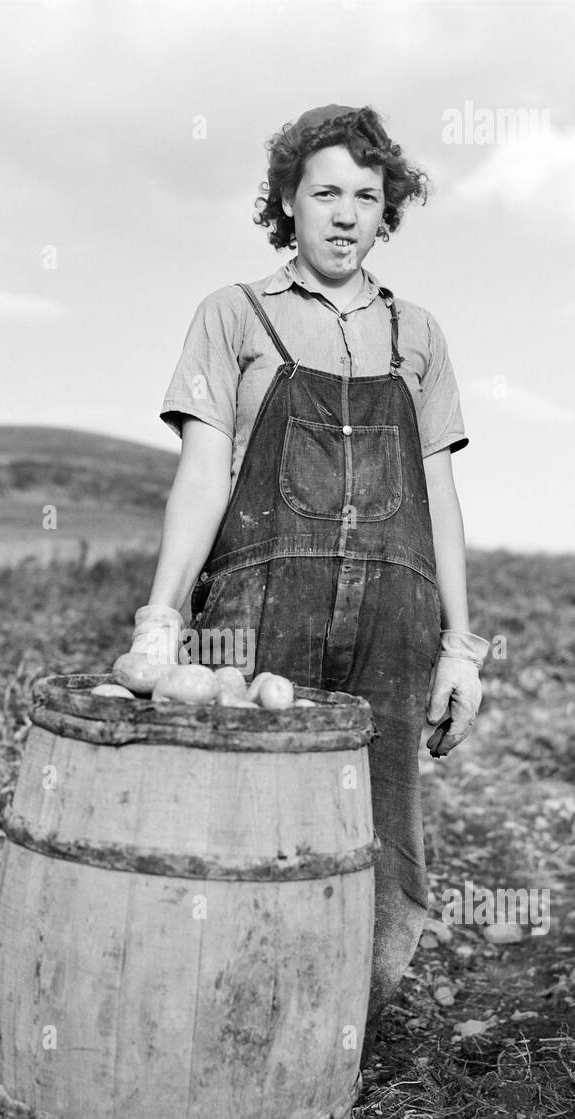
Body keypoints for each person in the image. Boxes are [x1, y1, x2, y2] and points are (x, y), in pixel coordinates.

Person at [123, 104, 489, 1034]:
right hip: (255, 610)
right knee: (233, 821)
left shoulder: (419, 336)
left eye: (366, 197)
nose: (344, 213)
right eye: (324, 191)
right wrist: (162, 619)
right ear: (286, 200)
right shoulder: (232, 315)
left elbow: (439, 499)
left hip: (394, 626)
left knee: (374, 833)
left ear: (385, 213)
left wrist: (461, 648)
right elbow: (203, 476)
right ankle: (216, 1030)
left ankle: (331, 1054)